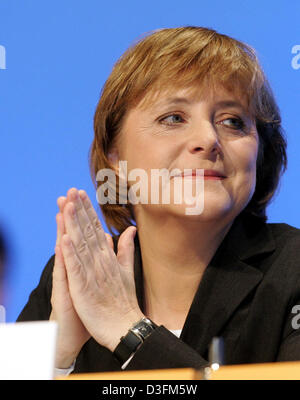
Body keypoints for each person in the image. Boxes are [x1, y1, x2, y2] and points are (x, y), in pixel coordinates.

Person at [18, 26, 300, 375]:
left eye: (233, 121)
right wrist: (56, 360)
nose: (208, 139)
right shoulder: (77, 277)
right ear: (115, 156)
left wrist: (130, 331)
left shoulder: (294, 270)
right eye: (174, 118)